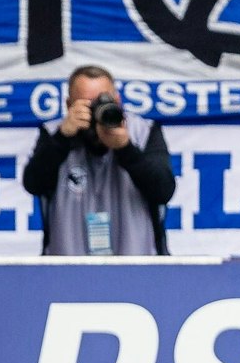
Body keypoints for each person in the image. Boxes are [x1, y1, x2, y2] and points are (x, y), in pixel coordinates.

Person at [22, 65, 174, 255]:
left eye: (103, 103)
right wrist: (62, 138)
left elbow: (164, 190)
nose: (96, 113)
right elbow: (33, 184)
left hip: (137, 267)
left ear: (118, 101)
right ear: (69, 106)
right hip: (68, 268)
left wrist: (125, 148)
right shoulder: (54, 134)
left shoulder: (143, 132)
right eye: (87, 105)